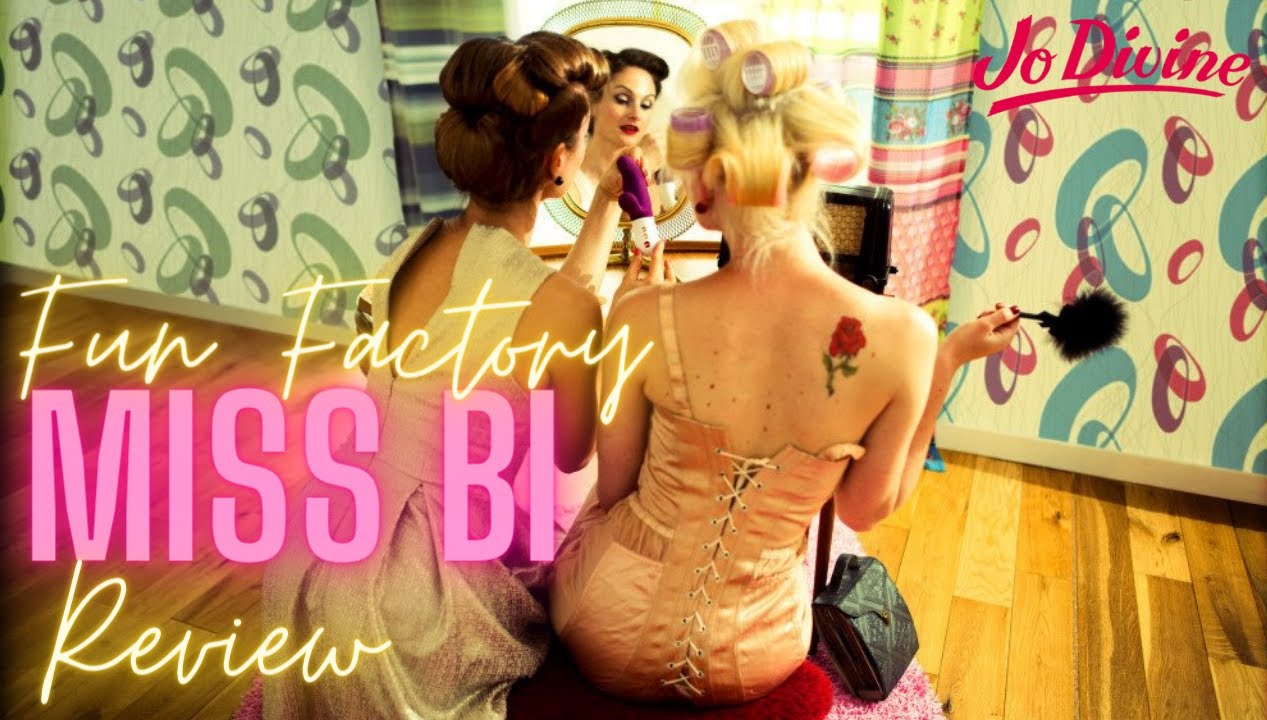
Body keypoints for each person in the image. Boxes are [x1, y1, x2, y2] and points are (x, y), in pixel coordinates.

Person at [550, 24, 1021, 707]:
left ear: (708, 183)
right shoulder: (909, 338)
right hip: (758, 654)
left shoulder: (644, 315)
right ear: (812, 171)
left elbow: (615, 489)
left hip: (605, 632)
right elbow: (864, 508)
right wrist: (947, 364)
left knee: (578, 515)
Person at [262, 31, 627, 720]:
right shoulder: (565, 308)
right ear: (558, 162)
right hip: (416, 597)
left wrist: (607, 206)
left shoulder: (408, 250)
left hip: (319, 544)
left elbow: (533, 307)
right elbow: (571, 452)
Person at [570, 48, 671, 212]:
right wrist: (638, 171)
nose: (636, 114)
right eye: (622, 99)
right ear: (592, 103)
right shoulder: (567, 186)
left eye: (646, 105)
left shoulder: (661, 187)